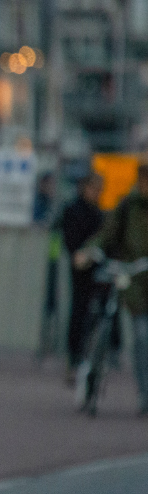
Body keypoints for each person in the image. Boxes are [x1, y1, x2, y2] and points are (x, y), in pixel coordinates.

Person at [78, 164, 148, 415]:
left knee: (142, 338)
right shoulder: (127, 206)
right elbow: (106, 233)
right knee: (117, 324)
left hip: (143, 279)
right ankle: (92, 376)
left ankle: (144, 393)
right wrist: (88, 250)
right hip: (129, 277)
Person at [62, 173, 108, 376]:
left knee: (103, 309)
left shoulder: (99, 213)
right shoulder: (75, 210)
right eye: (94, 189)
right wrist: (78, 255)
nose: (97, 194)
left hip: (98, 266)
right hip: (81, 268)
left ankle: (99, 353)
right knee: (79, 310)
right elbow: (69, 239)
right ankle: (74, 356)